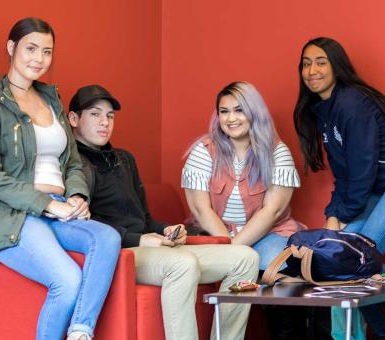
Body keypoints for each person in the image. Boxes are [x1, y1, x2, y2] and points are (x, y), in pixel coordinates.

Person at [0, 18, 121, 340]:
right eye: (31, 49)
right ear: (11, 48)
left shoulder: (51, 100)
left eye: (46, 52)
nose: (39, 59)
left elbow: (73, 161)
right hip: (14, 215)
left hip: (61, 209)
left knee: (107, 238)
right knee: (67, 280)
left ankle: (80, 332)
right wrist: (48, 204)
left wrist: (76, 196)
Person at [67, 84, 259, 340]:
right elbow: (85, 226)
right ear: (73, 119)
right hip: (118, 253)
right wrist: (139, 240)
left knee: (245, 258)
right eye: (95, 114)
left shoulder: (124, 159)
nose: (104, 122)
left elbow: (144, 218)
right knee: (182, 264)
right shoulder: (73, 165)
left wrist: (165, 230)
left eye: (110, 116)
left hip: (149, 249)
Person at [293, 37, 385, 340]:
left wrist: (342, 216)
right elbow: (345, 172)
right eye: (306, 63)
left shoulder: (350, 102)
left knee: (353, 256)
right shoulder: (324, 111)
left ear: (337, 67)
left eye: (321, 62)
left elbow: (362, 167)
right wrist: (333, 216)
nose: (312, 70)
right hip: (383, 186)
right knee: (342, 257)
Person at [182, 81, 306, 271]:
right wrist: (227, 248)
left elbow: (272, 211)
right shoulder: (203, 151)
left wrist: (232, 252)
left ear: (254, 113)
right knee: (194, 264)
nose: (231, 118)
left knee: (271, 264)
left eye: (239, 110)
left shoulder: (277, 152)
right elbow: (201, 210)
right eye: (224, 111)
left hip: (267, 234)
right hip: (214, 236)